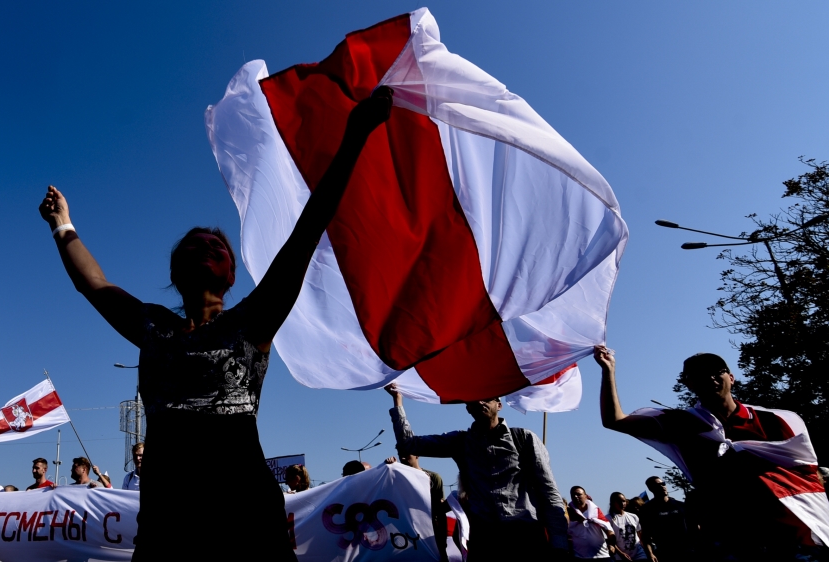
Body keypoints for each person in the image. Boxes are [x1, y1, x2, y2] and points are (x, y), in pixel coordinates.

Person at [39, 87, 393, 560]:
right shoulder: (153, 326)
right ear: (175, 274)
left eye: (216, 244)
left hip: (248, 526)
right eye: (196, 242)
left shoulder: (255, 319)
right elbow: (95, 285)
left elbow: (309, 228)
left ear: (230, 276)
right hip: (169, 529)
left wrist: (355, 137)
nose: (206, 244)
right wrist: (63, 227)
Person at [597, 347, 828, 560]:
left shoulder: (775, 420)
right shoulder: (682, 424)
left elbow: (805, 470)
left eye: (717, 371)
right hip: (730, 536)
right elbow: (615, 420)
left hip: (787, 533)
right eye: (698, 374)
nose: (710, 378)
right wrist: (609, 370)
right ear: (689, 383)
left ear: (731, 377)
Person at [384, 383, 569, 560]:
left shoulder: (524, 439)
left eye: (486, 398)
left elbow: (548, 491)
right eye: (474, 400)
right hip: (484, 538)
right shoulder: (460, 442)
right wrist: (397, 401)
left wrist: (559, 543)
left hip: (524, 535)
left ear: (499, 405)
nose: (480, 402)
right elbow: (408, 444)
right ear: (468, 409)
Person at [386, 454, 449, 562]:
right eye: (400, 453)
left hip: (431, 535)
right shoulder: (396, 479)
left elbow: (440, 512)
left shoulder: (433, 478)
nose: (403, 457)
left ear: (417, 454)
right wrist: (389, 469)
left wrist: (442, 538)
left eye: (406, 453)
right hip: (406, 535)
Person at [638, 477, 690, 562]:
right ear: (651, 488)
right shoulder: (647, 510)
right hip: (665, 552)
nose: (662, 486)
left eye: (663, 483)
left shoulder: (680, 506)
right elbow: (646, 536)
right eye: (658, 485)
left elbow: (694, 527)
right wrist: (650, 554)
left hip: (686, 550)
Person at [567, 486, 616, 560]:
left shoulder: (596, 511)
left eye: (578, 494)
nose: (576, 497)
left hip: (601, 555)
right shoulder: (568, 512)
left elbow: (608, 528)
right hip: (579, 556)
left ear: (585, 496)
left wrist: (612, 545)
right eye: (573, 495)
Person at [608, 492, 654, 562]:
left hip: (639, 553)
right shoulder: (608, 519)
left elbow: (640, 537)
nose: (622, 504)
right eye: (619, 501)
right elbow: (610, 541)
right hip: (621, 556)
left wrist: (650, 553)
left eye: (624, 501)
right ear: (613, 503)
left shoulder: (633, 516)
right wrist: (621, 554)